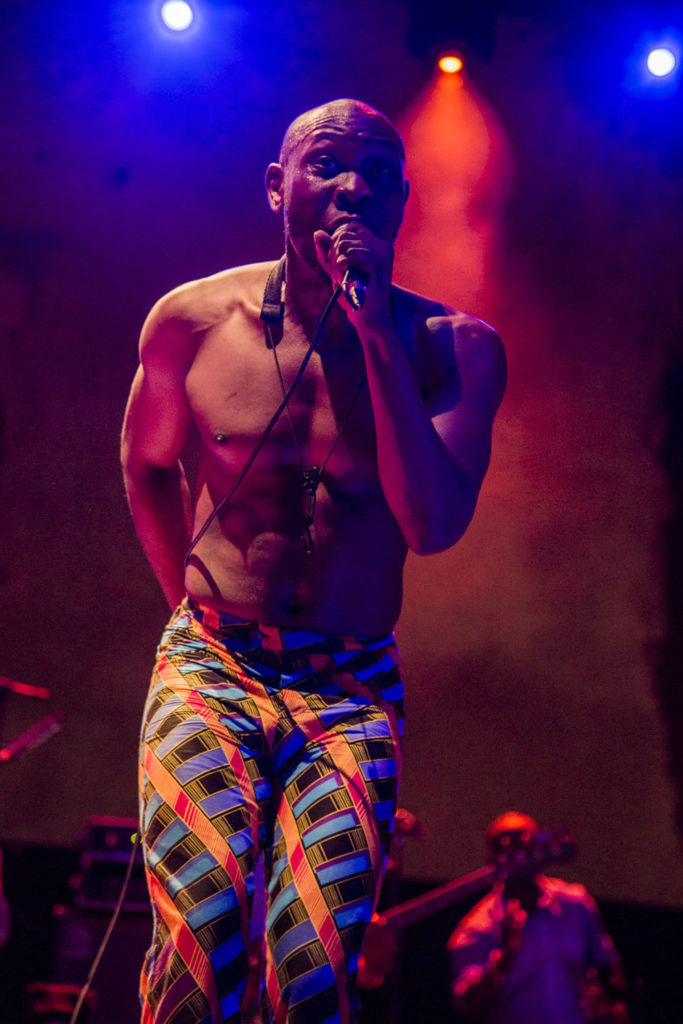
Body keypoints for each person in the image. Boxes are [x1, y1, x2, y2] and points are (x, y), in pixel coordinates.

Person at [121, 97, 506, 1024]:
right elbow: (146, 464)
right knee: (200, 945)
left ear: (401, 204)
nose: (353, 187)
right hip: (214, 664)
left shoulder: (455, 350)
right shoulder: (192, 320)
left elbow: (432, 524)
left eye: (379, 175)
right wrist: (188, 608)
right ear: (276, 186)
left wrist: (372, 333)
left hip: (349, 687)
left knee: (315, 968)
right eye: (328, 164)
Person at [448, 812, 630, 1024]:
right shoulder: (477, 928)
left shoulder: (575, 904)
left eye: (525, 843)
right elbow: (469, 1005)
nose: (519, 854)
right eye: (506, 845)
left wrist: (614, 1006)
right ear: (491, 857)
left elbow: (608, 966)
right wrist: (505, 957)